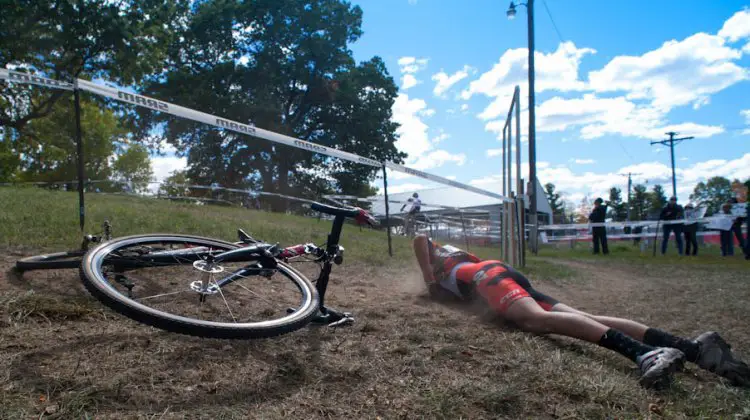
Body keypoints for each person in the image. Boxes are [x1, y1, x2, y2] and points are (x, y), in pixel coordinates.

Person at [412, 234, 750, 389]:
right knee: (586, 320)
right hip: (502, 273)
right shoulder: (460, 266)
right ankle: (694, 348)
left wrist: (428, 278)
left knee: (534, 320)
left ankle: (646, 354)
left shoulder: (445, 270)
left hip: (490, 278)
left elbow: (420, 238)